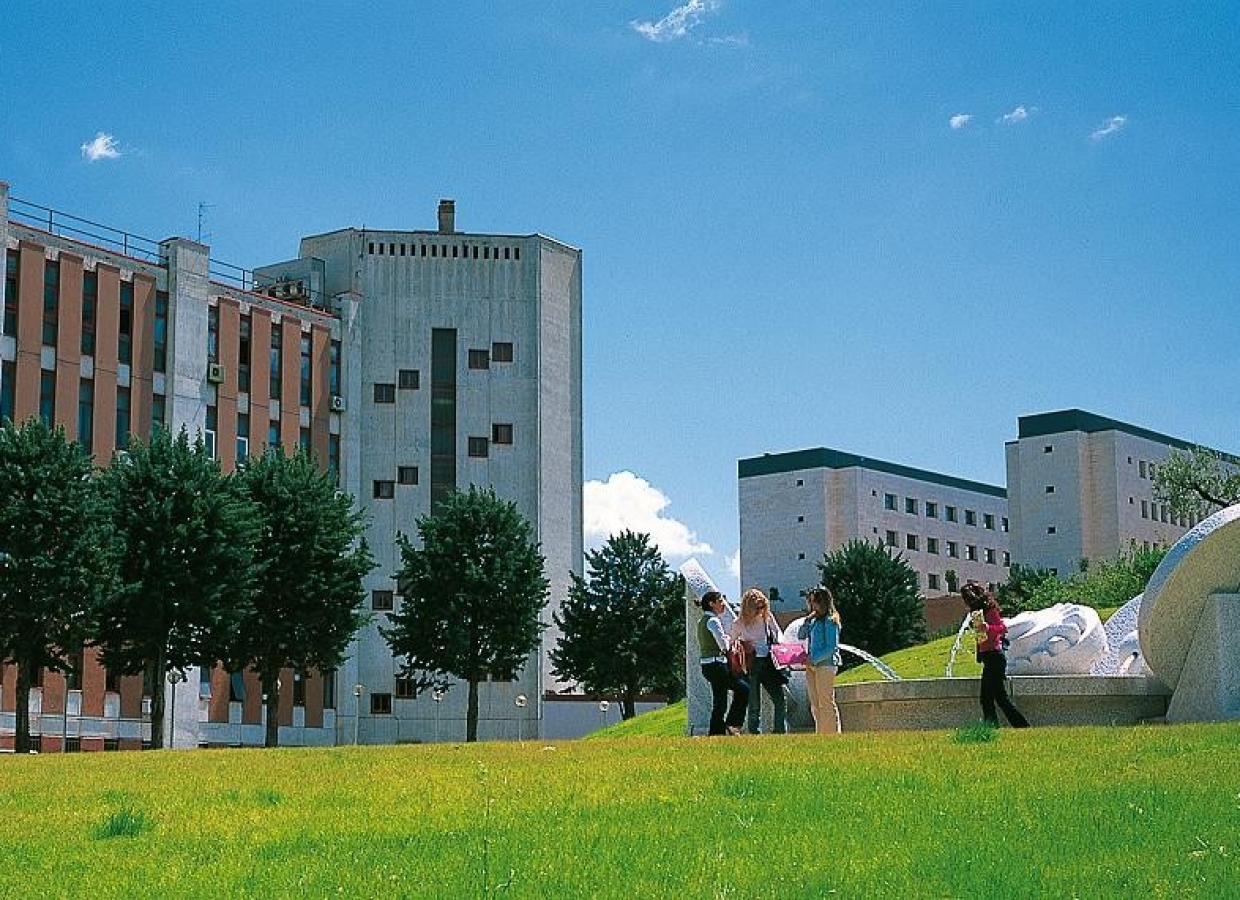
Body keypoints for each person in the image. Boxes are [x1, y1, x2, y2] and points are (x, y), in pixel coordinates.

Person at [962, 580, 1029, 728]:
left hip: (995, 657)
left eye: (967, 599)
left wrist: (988, 627)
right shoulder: (977, 614)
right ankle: (1015, 726)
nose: (966, 603)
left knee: (991, 697)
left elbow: (1002, 628)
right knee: (997, 697)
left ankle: (1004, 726)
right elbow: (981, 639)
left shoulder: (990, 611)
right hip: (990, 658)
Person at [729, 588, 787, 734]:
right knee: (754, 703)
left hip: (769, 661)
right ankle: (754, 732)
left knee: (779, 699)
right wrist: (741, 646)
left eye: (762, 606)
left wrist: (780, 645)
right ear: (749, 607)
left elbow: (778, 632)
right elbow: (730, 641)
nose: (760, 610)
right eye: (757, 607)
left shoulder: (766, 617)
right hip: (751, 663)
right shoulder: (739, 622)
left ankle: (779, 731)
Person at [697, 590, 749, 736]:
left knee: (720, 701)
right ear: (711, 603)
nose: (723, 604)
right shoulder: (713, 621)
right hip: (717, 665)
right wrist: (730, 638)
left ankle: (716, 733)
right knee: (744, 690)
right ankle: (733, 724)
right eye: (720, 601)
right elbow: (724, 646)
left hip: (708, 665)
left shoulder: (702, 621)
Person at [798, 586, 843, 734]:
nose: (812, 606)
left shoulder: (831, 621)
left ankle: (832, 734)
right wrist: (806, 620)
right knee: (815, 703)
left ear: (822, 602)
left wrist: (814, 659)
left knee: (826, 701)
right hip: (811, 666)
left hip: (826, 665)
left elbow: (831, 647)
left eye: (814, 602)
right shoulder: (814, 621)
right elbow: (801, 636)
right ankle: (821, 733)